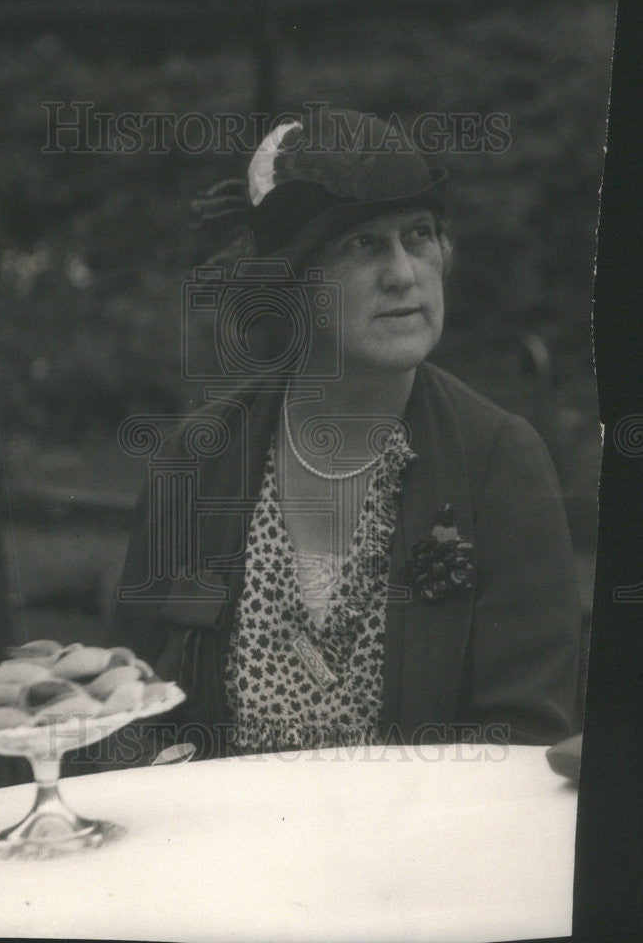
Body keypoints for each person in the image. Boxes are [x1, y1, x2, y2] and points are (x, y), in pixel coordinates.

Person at [111, 107, 582, 762]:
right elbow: (121, 700)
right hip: (222, 852)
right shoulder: (200, 457)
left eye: (418, 235)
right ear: (292, 285)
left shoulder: (498, 460)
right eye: (362, 245)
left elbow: (529, 735)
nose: (402, 273)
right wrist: (146, 768)